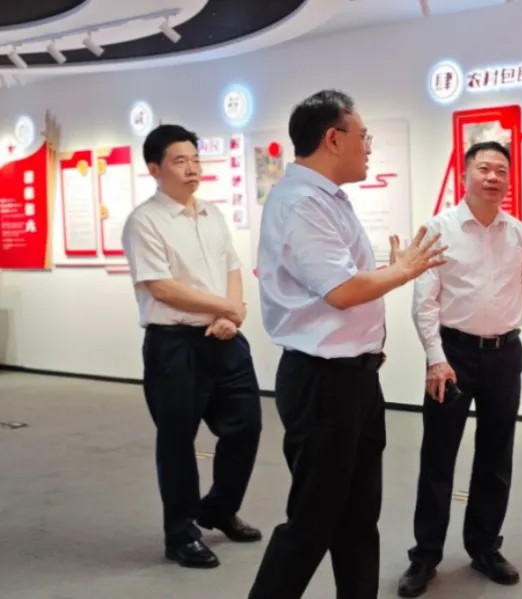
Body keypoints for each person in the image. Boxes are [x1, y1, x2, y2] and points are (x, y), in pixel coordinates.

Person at [248, 89, 447, 599]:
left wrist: (390, 272)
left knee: (358, 518)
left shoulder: (327, 199)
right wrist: (401, 272)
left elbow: (345, 282)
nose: (369, 146)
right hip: (323, 384)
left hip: (354, 380)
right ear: (333, 139)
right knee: (312, 521)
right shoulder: (300, 203)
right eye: (364, 136)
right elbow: (341, 290)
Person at [120, 124, 264, 569]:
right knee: (178, 441)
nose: (192, 169)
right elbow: (161, 287)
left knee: (246, 426)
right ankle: (181, 534)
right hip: (174, 346)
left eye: (196, 160)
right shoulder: (144, 221)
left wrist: (229, 315)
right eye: (180, 161)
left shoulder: (211, 214)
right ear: (154, 169)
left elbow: (232, 268)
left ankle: (218, 508)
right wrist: (226, 307)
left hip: (225, 338)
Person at [397, 141, 522, 598]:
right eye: (484, 168)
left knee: (496, 456)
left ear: (508, 179)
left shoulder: (518, 233)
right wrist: (436, 357)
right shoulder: (438, 230)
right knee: (438, 456)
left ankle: (484, 547)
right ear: (465, 175)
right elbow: (424, 302)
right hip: (451, 356)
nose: (493, 177)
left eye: (501, 170)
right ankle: (425, 555)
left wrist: (501, 331)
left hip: (504, 354)